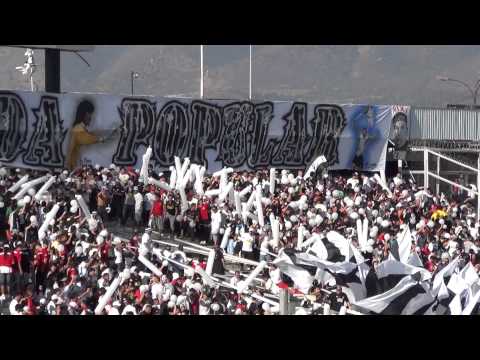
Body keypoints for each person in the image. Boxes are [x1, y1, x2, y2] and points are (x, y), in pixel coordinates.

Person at [66, 100, 118, 171]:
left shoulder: (79, 128)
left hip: (75, 167)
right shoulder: (78, 130)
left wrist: (110, 131)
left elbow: (94, 133)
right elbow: (95, 138)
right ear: (84, 114)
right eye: (90, 114)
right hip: (74, 168)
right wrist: (112, 133)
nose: (91, 117)